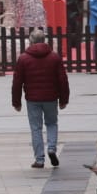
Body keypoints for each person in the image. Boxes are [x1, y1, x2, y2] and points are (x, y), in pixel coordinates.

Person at [12, 30, 70, 169]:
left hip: (32, 99)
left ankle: (39, 159)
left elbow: (17, 82)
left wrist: (16, 102)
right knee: (52, 123)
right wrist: (64, 99)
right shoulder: (54, 57)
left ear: (31, 41)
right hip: (51, 98)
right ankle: (51, 148)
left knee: (36, 128)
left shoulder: (23, 58)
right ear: (44, 40)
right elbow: (63, 80)